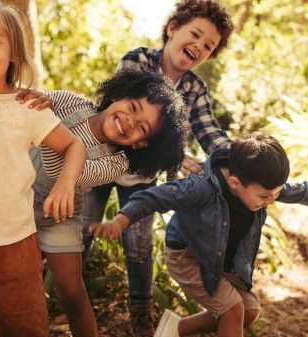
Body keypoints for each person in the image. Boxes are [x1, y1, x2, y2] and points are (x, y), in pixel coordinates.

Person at [91, 132, 308, 337]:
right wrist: (122, 219)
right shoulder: (202, 188)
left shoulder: (260, 184)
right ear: (235, 183)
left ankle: (174, 330)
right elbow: (156, 197)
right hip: (187, 257)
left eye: (275, 193)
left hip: (220, 261)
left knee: (248, 311)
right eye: (265, 196)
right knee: (233, 310)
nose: (272, 200)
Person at [78, 1, 235, 334]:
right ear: (173, 29)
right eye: (196, 34)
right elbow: (119, 119)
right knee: (81, 230)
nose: (199, 46)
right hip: (100, 160)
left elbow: (209, 132)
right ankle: (64, 298)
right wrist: (174, 158)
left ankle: (141, 312)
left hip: (140, 177)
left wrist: (238, 160)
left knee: (138, 243)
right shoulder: (137, 62)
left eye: (208, 46)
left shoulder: (194, 89)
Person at [0, 1, 87, 336]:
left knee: (27, 329)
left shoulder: (28, 106)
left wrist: (65, 183)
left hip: (16, 249)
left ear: (14, 51)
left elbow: (74, 145)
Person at [32, 69, 189, 337]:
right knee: (17, 282)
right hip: (18, 202)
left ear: (141, 144)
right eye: (132, 107)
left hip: (60, 217)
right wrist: (34, 103)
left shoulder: (117, 163)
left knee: (71, 292)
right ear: (118, 94)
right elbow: (28, 107)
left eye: (141, 127)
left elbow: (70, 172)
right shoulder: (71, 104)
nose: (129, 121)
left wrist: (43, 125)